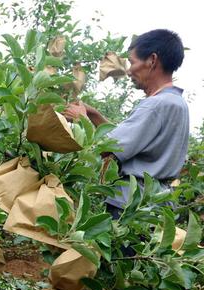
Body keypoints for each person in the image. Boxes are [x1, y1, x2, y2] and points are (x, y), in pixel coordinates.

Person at [64, 29, 189, 218]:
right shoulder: (176, 102)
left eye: (132, 62)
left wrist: (81, 119)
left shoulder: (156, 105)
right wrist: (94, 115)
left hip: (131, 205)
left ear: (152, 60)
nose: (129, 70)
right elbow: (130, 142)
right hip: (156, 205)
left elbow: (107, 148)